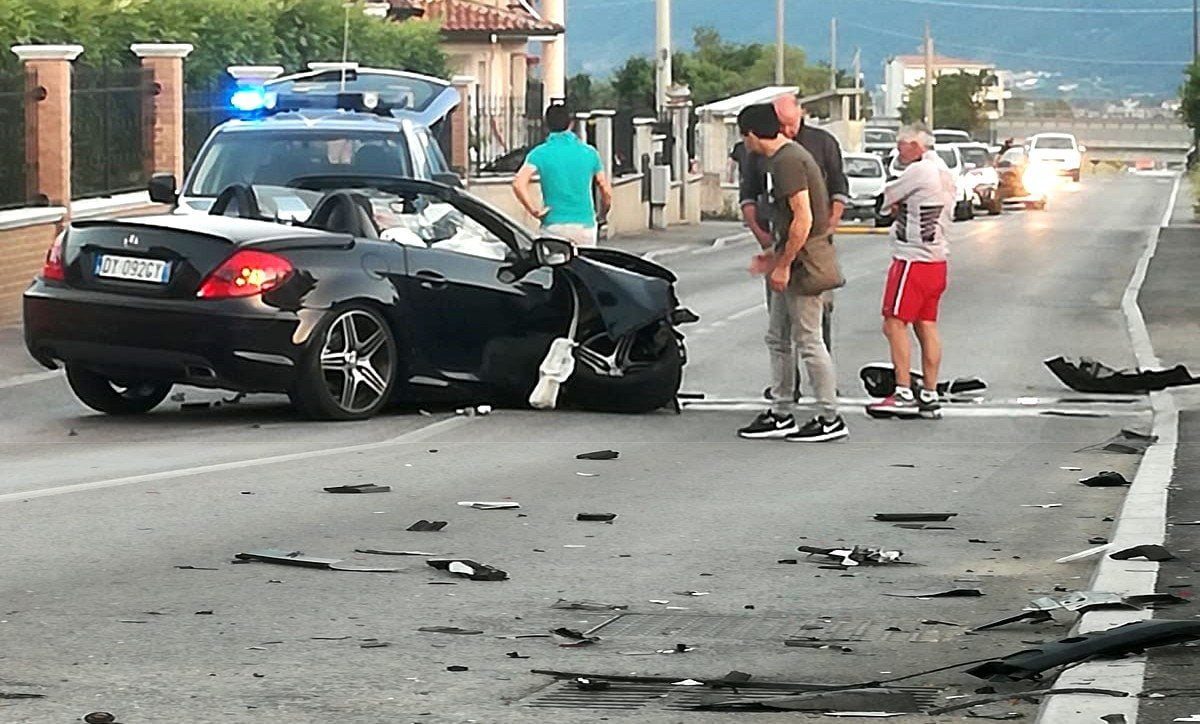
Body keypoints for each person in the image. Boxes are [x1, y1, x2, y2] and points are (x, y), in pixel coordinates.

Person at [735, 104, 847, 443]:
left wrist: (782, 264)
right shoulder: (780, 159)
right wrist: (772, 256)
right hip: (792, 257)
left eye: (743, 136)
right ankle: (781, 409)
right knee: (778, 338)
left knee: (808, 340)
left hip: (806, 263)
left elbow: (804, 218)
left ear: (752, 134)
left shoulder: (787, 161)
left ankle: (830, 415)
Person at [866, 125, 955, 420]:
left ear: (918, 146)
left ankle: (903, 390)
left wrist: (896, 204)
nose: (898, 150)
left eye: (903, 144)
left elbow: (885, 201)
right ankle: (929, 393)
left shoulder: (919, 171)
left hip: (912, 258)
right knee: (925, 324)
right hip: (937, 258)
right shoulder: (943, 171)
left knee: (894, 323)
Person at [513, 103, 613, 247]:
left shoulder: (539, 153)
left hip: (553, 224)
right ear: (571, 124)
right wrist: (602, 213)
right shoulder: (589, 152)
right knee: (585, 268)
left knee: (554, 268)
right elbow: (606, 191)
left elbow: (518, 183)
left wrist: (535, 211)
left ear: (546, 125)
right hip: (584, 225)